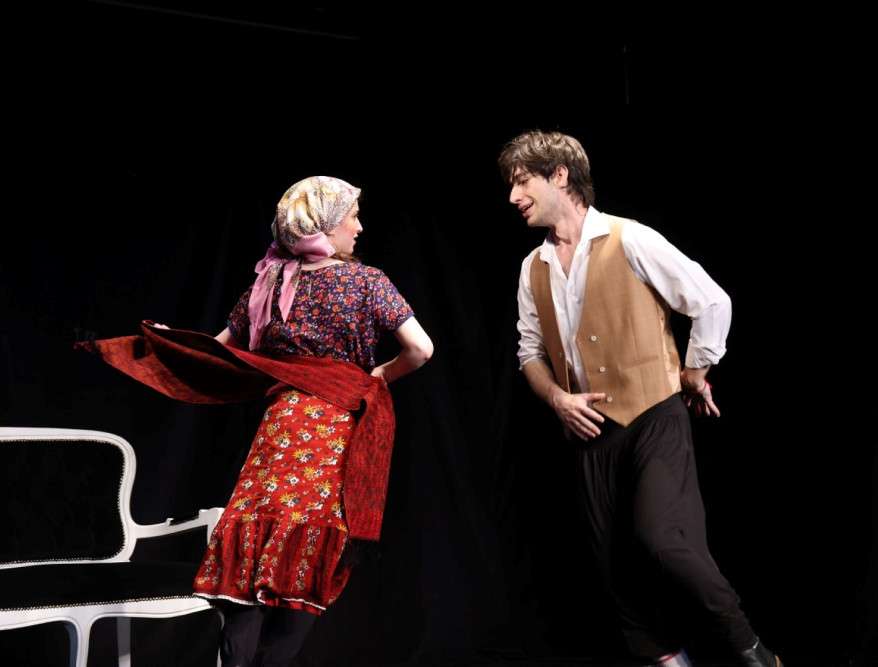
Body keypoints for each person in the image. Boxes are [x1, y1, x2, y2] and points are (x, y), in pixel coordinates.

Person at [93, 176, 433, 667]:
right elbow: (421, 349)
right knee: (304, 554)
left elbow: (216, 352)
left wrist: (167, 345)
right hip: (331, 430)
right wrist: (377, 376)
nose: (359, 227)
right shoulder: (368, 281)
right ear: (326, 225)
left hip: (280, 427)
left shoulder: (268, 284)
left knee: (252, 556)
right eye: (353, 217)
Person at [501, 131, 781, 667]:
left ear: (559, 175)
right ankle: (668, 662)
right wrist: (557, 398)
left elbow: (711, 302)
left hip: (653, 415)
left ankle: (751, 651)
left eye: (522, 181)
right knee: (611, 565)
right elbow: (529, 352)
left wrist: (694, 369)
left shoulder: (630, 239)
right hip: (589, 432)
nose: (513, 196)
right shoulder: (532, 267)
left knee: (665, 540)